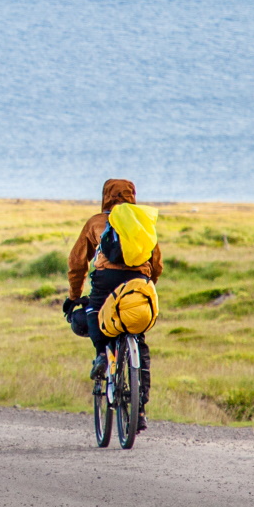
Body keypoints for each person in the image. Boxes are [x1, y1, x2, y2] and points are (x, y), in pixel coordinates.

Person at [63, 178, 162, 417]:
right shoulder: (142, 221)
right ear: (133, 195)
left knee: (94, 312)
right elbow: (156, 262)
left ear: (105, 196)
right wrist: (148, 284)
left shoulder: (96, 222)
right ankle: (140, 409)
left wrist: (74, 295)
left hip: (106, 279)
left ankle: (101, 356)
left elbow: (77, 263)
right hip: (139, 281)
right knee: (138, 336)